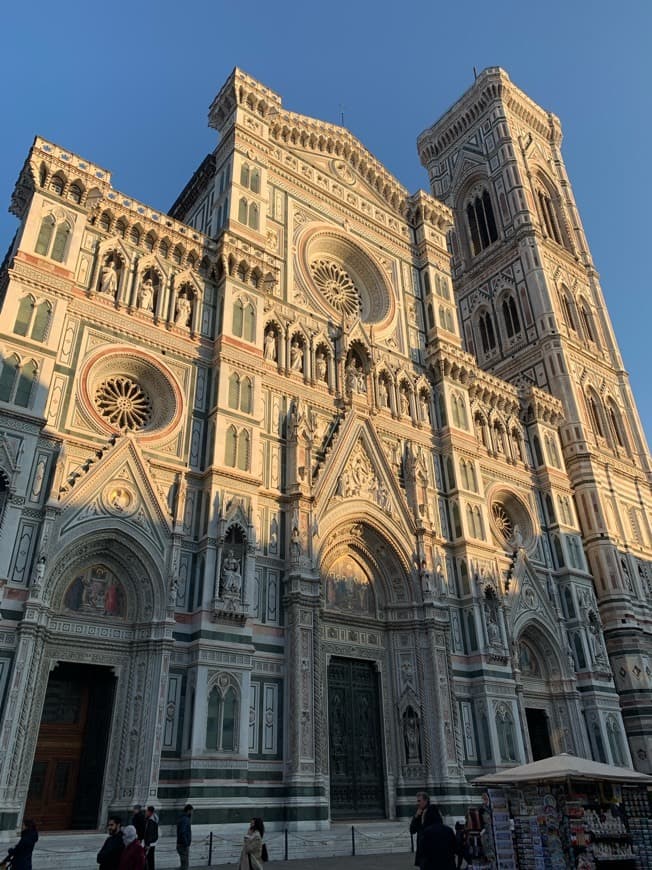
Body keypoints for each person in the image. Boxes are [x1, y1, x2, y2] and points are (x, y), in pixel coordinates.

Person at [409, 792, 441, 870]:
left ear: (426, 800)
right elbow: (412, 830)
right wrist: (416, 817)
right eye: (417, 801)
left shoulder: (432, 810)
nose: (418, 803)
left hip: (431, 848)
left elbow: (437, 826)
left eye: (419, 801)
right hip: (422, 849)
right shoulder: (419, 812)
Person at [176, 804, 193, 870]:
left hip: (181, 843)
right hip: (183, 844)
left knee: (183, 863)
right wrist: (186, 843)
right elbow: (182, 832)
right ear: (188, 810)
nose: (192, 813)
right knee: (185, 865)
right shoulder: (185, 819)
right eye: (191, 811)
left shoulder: (182, 818)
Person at [143, 806, 159, 870]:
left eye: (146, 811)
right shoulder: (154, 818)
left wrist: (147, 844)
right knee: (151, 859)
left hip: (149, 843)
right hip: (153, 842)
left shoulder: (151, 821)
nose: (145, 812)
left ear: (150, 812)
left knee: (148, 859)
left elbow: (150, 833)